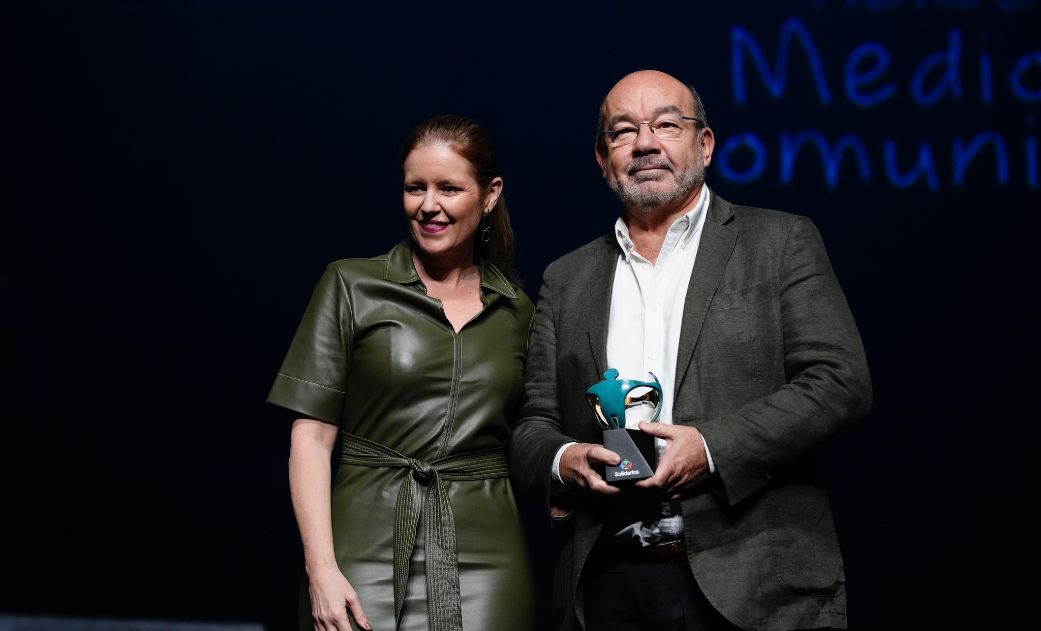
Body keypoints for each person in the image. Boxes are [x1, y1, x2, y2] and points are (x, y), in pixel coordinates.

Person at [509, 70, 872, 631]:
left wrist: (713, 447)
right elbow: (534, 425)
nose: (646, 142)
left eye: (666, 125)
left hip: (753, 584)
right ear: (602, 159)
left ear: (704, 143)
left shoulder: (779, 242)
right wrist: (567, 460)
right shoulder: (567, 277)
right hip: (607, 582)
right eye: (624, 131)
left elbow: (838, 381)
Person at [268, 115, 536, 631]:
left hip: (488, 558)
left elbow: (532, 436)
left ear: (489, 194)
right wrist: (321, 568)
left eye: (449, 188)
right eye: (416, 187)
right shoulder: (351, 284)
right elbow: (311, 439)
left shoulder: (517, 310)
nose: (428, 205)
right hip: (361, 548)